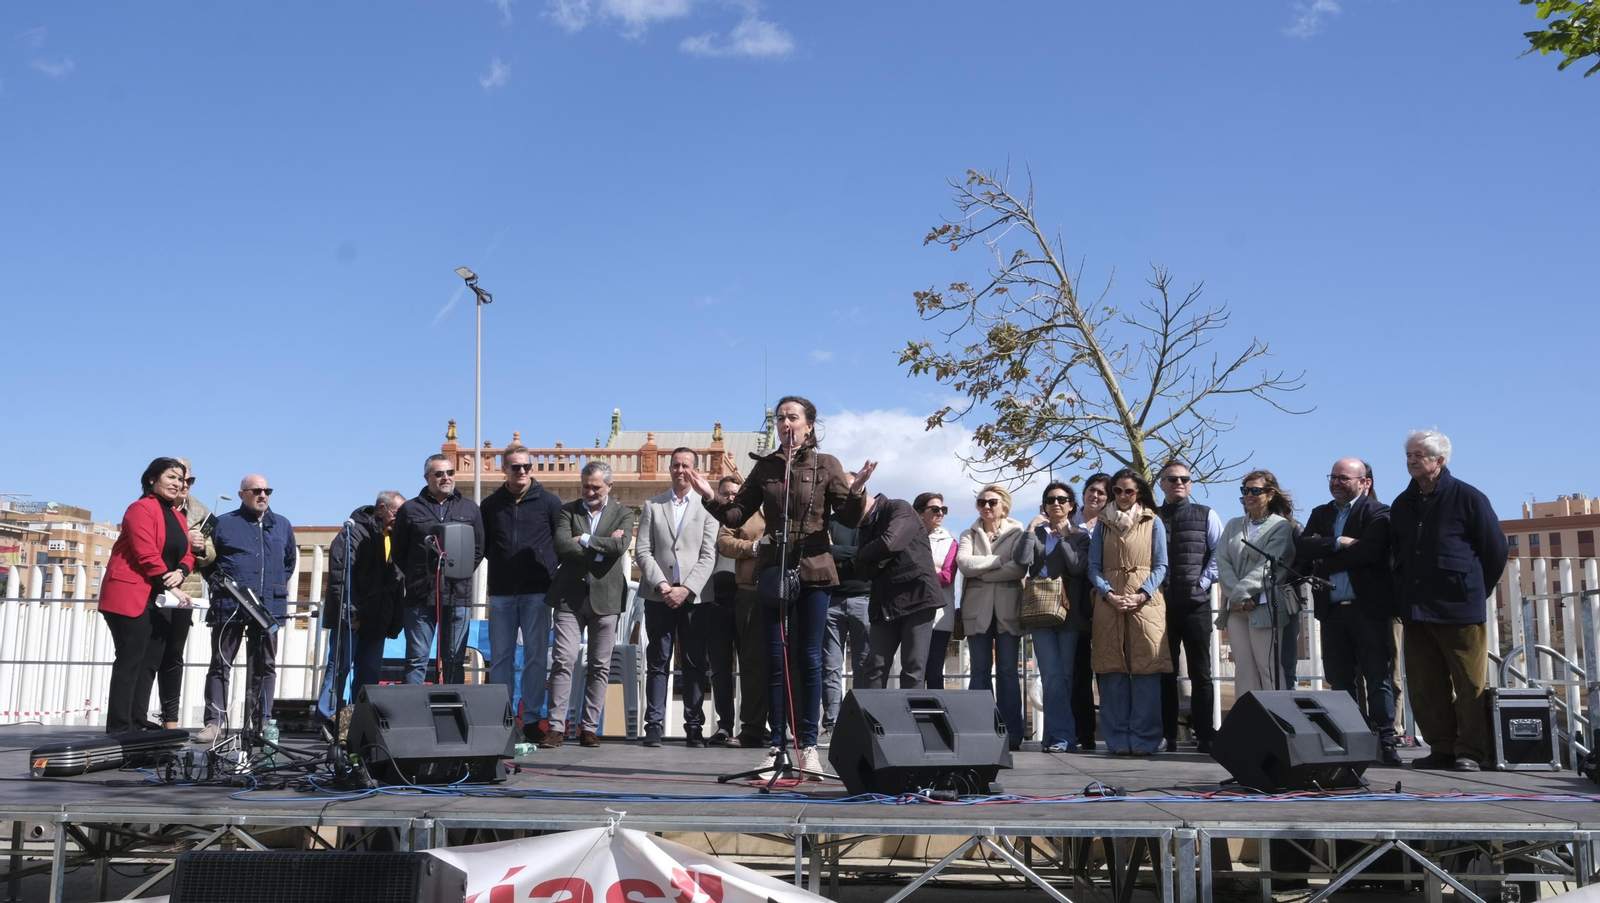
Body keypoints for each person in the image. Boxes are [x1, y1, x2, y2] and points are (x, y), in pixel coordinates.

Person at [690, 395, 873, 780]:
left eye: (792, 417)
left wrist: (857, 492)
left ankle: (808, 746)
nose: (785, 423)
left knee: (808, 659)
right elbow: (738, 513)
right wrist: (709, 495)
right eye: (779, 418)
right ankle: (776, 746)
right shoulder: (768, 467)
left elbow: (851, 517)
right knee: (774, 658)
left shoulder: (827, 465)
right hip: (775, 567)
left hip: (816, 569)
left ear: (809, 425)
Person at [1390, 429, 1507, 772]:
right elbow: (1397, 551)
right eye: (1409, 455)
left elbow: (1495, 550)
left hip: (1459, 608)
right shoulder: (1402, 502)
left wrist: (1473, 588)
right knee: (1426, 685)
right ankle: (1441, 747)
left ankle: (1470, 751)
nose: (1412, 461)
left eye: (1419, 455)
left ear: (1439, 461)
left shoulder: (1469, 498)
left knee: (1470, 683)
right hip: (1415, 607)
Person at [1295, 458, 1402, 766]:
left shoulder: (1379, 513)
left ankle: (1385, 741)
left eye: (1343, 478)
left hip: (1368, 610)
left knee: (1377, 678)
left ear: (1364, 482)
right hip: (1332, 612)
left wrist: (1325, 554)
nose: (1335, 482)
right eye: (1333, 477)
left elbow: (1371, 552)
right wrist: (1340, 542)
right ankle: (1351, 738)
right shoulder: (1321, 513)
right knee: (1339, 682)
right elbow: (1302, 548)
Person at [99, 458, 196, 733]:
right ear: (152, 479)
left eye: (181, 479)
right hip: (129, 592)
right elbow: (146, 553)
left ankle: (138, 720)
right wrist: (171, 583)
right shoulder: (140, 509)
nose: (178, 483)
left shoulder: (178, 516)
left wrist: (181, 571)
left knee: (150, 661)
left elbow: (188, 551)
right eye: (171, 477)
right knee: (131, 658)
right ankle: (120, 727)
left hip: (159, 596)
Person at [196, 474, 296, 744]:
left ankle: (261, 722)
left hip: (268, 607)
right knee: (220, 664)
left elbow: (289, 562)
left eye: (267, 490)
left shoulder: (282, 525)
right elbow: (204, 560)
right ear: (242, 494)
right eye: (256, 491)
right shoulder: (224, 523)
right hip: (229, 605)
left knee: (265, 666)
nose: (263, 495)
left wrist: (273, 587)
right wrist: (221, 585)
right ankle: (214, 722)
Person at [543, 461, 636, 748]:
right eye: (586, 486)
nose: (590, 491)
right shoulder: (566, 511)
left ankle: (589, 728)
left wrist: (583, 539)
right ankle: (556, 727)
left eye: (596, 486)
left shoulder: (624, 512)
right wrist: (601, 546)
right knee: (563, 660)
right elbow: (561, 545)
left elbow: (620, 548)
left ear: (609, 486)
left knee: (600, 665)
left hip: (606, 600)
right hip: (569, 597)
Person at [636, 447, 720, 748]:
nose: (680, 470)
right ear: (669, 469)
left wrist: (687, 589)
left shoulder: (708, 507)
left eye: (686, 465)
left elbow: (709, 554)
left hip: (695, 599)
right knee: (657, 661)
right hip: (659, 596)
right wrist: (662, 585)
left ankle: (694, 726)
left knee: (695, 662)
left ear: (695, 470)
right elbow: (642, 551)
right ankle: (654, 725)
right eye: (675, 465)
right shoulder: (652, 505)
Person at [481, 444, 563, 742]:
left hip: (538, 592)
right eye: (516, 467)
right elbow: (484, 546)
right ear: (504, 469)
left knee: (536, 657)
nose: (523, 471)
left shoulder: (550, 503)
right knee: (500, 658)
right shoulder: (490, 506)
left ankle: (530, 720)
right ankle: (501, 719)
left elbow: (561, 544)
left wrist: (549, 571)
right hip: (502, 592)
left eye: (527, 466)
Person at [1088, 469, 1171, 756]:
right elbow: (1093, 567)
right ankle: (1118, 740)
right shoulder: (1101, 523)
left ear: (1139, 493)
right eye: (1117, 491)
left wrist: (1142, 593)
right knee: (1111, 671)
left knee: (1147, 669)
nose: (1122, 496)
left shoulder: (1153, 521)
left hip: (1146, 604)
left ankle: (1146, 740)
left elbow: (1161, 565)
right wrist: (1108, 594)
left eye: (1129, 491)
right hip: (1108, 605)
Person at [1013, 481, 1093, 752]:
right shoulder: (1036, 533)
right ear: (1044, 505)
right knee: (1051, 674)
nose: (1055, 503)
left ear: (1071, 505)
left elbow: (1079, 567)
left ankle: (1060, 737)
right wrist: (1030, 529)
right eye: (1050, 500)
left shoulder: (1081, 536)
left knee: (1066, 676)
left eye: (1061, 499)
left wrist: (1066, 536)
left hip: (1069, 612)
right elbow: (1021, 561)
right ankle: (1059, 737)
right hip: (1040, 610)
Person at [391, 454, 484, 685]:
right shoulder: (410, 509)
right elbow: (399, 550)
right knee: (416, 660)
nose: (445, 478)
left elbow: (479, 548)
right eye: (439, 473)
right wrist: (420, 575)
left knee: (454, 660)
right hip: (420, 596)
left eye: (450, 473)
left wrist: (459, 572)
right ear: (427, 477)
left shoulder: (470, 509)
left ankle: (452, 716)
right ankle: (414, 717)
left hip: (457, 595)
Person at [318, 490, 405, 722]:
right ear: (381, 509)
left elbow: (396, 583)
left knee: (369, 675)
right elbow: (341, 578)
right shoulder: (352, 533)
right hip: (352, 621)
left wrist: (394, 622)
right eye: (397, 513)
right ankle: (328, 720)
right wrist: (351, 614)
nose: (400, 518)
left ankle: (358, 723)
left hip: (377, 622)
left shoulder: (396, 538)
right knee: (339, 670)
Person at [1155, 460, 1223, 754]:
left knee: (1201, 673)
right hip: (1160, 608)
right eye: (1172, 479)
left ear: (1191, 483)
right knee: (1164, 674)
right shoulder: (1152, 516)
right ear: (1161, 483)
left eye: (1184, 478)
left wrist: (1203, 583)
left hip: (1196, 606)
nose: (1178, 482)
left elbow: (1221, 552)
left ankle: (1206, 735)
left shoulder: (1206, 514)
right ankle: (1167, 735)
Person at [957, 485, 1028, 751]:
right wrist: (999, 560)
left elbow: (1019, 567)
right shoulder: (968, 533)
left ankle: (1012, 734)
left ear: (1004, 506)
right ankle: (978, 730)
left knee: (1008, 672)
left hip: (1009, 611)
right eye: (981, 502)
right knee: (979, 671)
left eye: (992, 502)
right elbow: (964, 564)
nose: (986, 506)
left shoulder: (1018, 532)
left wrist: (983, 570)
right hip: (977, 612)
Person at [1215, 471, 1298, 696]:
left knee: (1268, 668)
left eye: (1255, 490)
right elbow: (1222, 561)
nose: (1249, 495)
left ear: (1270, 494)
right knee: (1244, 669)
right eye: (1245, 490)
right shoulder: (1233, 525)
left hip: (1265, 607)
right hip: (1235, 609)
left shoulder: (1280, 527)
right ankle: (1249, 724)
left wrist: (1240, 594)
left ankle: (1279, 724)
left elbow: (1268, 567)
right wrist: (1236, 597)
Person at [852, 492, 943, 689]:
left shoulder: (898, 508)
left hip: (917, 598)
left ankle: (909, 719)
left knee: (913, 669)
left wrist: (863, 554)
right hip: (884, 604)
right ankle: (871, 718)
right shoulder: (865, 526)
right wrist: (875, 561)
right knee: (874, 667)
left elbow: (890, 543)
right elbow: (861, 570)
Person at [713, 474, 769, 748]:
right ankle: (752, 728)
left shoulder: (779, 508)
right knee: (750, 664)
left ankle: (781, 727)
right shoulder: (739, 514)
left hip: (784, 592)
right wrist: (753, 548)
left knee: (783, 664)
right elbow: (724, 541)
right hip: (748, 591)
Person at [161, 457, 216, 730]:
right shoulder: (154, 507)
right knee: (146, 657)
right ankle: (134, 721)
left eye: (189, 480)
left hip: (185, 593)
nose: (184, 485)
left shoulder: (203, 513)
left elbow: (210, 557)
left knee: (173, 658)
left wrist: (200, 548)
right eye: (179, 479)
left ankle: (169, 721)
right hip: (153, 589)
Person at [820, 476, 872, 747]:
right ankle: (831, 723)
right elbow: (825, 552)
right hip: (833, 598)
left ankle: (859, 722)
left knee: (864, 665)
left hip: (865, 597)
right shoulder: (826, 521)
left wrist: (841, 552)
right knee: (830, 666)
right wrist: (854, 554)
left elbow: (871, 553)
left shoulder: (871, 520)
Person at [1067, 473, 1112, 750]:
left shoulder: (1111, 525)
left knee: (1107, 672)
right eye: (1091, 490)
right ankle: (1083, 734)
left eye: (1102, 493)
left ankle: (1109, 732)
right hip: (1074, 605)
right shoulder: (1068, 521)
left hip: (1105, 602)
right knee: (1078, 672)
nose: (1095, 496)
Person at [914, 493, 959, 690]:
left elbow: (947, 578)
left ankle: (935, 718)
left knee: (934, 673)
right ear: (919, 512)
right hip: (912, 613)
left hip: (940, 616)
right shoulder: (907, 537)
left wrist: (920, 571)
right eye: (935, 509)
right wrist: (934, 569)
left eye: (943, 510)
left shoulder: (951, 542)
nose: (940, 513)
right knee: (913, 670)